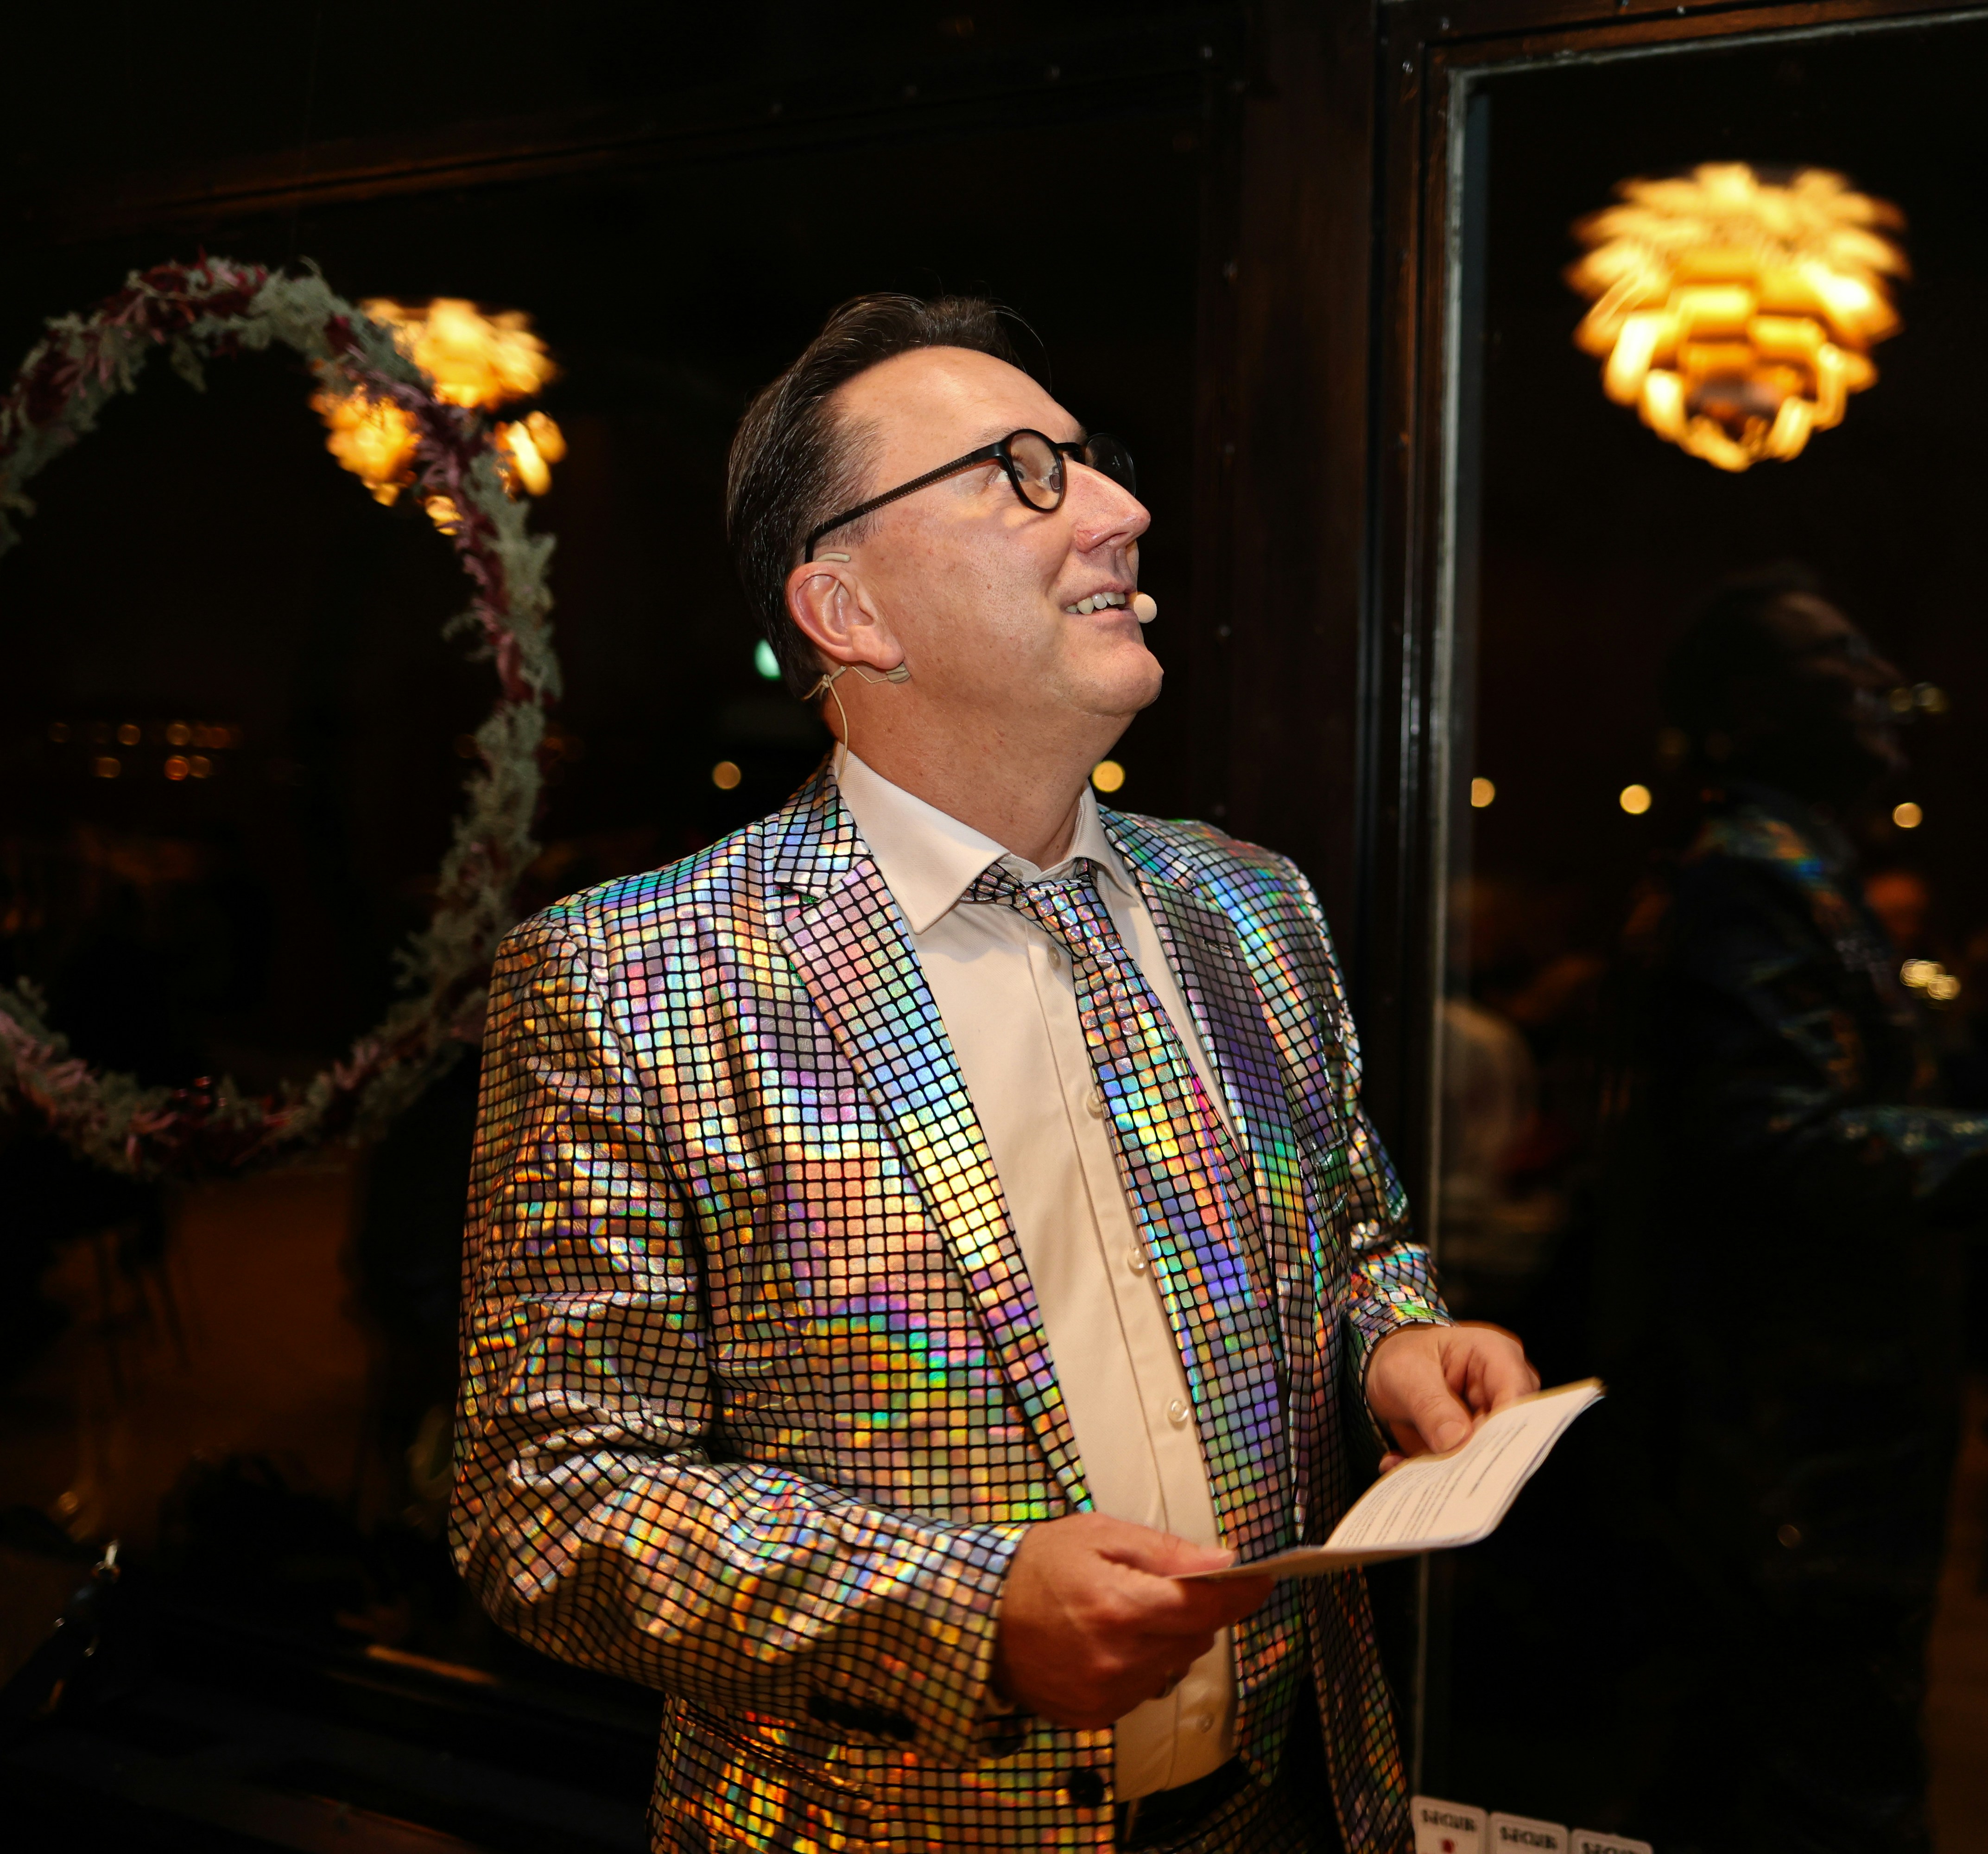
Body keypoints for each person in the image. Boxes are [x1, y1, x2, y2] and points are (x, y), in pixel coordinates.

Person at [449, 294, 1535, 1854]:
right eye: (1023, 473)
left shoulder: (1252, 904)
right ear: (849, 610)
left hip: (1285, 1810)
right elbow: (545, 1495)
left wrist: (1394, 1346)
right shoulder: (635, 977)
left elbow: (1353, 1240)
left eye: (1091, 461)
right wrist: (967, 1612)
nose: (1121, 512)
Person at [1603, 565, 1988, 1854]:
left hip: (1837, 1431)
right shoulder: (1748, 881)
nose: (1885, 694)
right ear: (1758, 709)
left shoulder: (1807, 874)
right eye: (1847, 666)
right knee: (1822, 1785)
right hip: (1795, 1440)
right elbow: (1772, 1143)